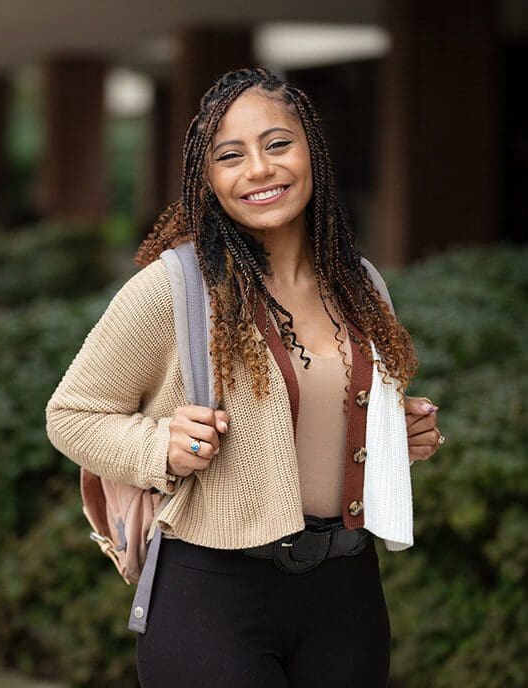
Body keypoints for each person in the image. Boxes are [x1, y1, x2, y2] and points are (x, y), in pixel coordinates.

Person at [46, 67, 443, 687]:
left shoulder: (362, 286)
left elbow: (326, 420)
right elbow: (71, 415)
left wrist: (399, 435)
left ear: (312, 150)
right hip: (213, 596)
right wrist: (159, 447)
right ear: (208, 181)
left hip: (347, 592)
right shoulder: (173, 289)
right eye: (231, 156)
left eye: (278, 144)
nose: (259, 169)